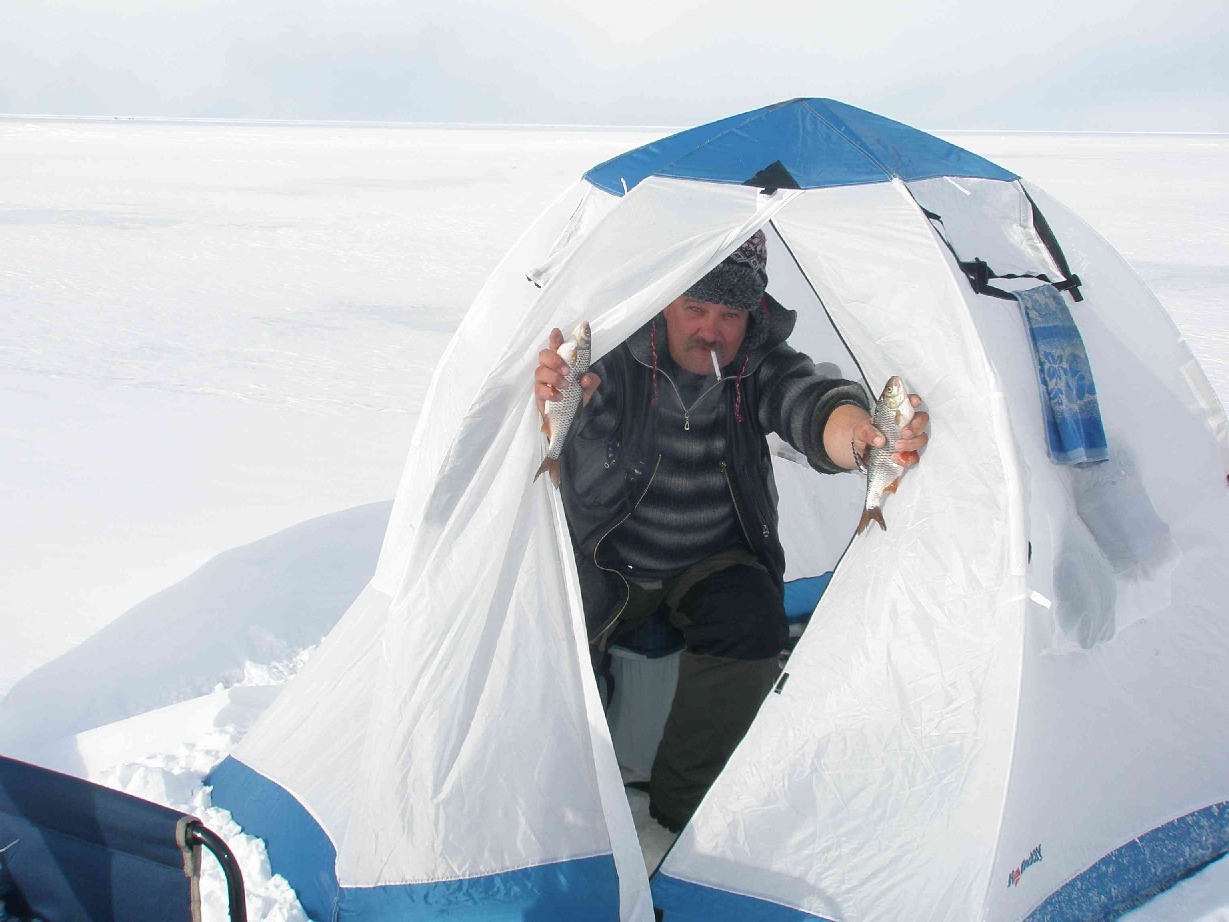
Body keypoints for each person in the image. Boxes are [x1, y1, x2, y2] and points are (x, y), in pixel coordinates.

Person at [533, 231, 928, 832]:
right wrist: (561, 392)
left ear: (753, 313)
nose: (710, 332)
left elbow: (813, 403)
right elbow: (578, 400)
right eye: (695, 308)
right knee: (555, 626)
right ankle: (565, 807)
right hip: (606, 556)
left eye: (730, 315)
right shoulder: (618, 354)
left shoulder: (759, 366)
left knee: (752, 614)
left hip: (712, 559)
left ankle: (689, 811)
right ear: (667, 302)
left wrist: (862, 438)